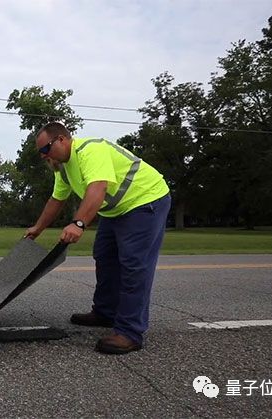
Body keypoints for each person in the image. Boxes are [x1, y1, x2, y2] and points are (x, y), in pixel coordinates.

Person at [25, 122, 171, 355]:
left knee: (134, 265)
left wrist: (79, 223)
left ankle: (130, 332)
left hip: (145, 201)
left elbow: (97, 187)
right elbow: (56, 200)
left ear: (62, 139)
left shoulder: (90, 150)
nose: (44, 156)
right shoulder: (63, 168)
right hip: (115, 211)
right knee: (104, 256)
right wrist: (38, 228)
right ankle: (106, 312)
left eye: (46, 149)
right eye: (41, 153)